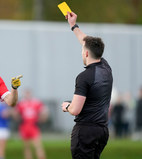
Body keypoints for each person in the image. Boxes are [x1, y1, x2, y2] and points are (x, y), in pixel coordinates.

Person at [61, 12, 113, 159]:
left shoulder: (84, 77)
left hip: (85, 132)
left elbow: (75, 109)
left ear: (86, 54)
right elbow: (86, 42)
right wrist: (73, 25)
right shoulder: (106, 68)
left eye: (82, 50)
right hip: (102, 131)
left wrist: (66, 106)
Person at [15, 89, 48, 159]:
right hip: (24, 126)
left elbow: (44, 111)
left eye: (28, 93)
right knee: (26, 147)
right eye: (26, 94)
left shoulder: (36, 102)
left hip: (33, 126)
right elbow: (16, 113)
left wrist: (41, 120)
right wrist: (19, 120)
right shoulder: (21, 103)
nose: (27, 95)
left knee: (38, 145)